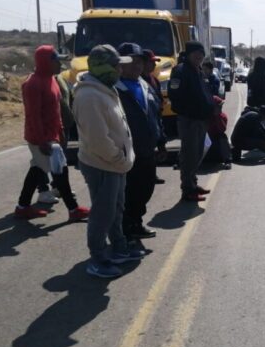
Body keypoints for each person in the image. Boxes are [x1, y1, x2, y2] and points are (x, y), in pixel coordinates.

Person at [72, 45, 142, 279]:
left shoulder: (104, 89)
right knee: (102, 213)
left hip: (115, 164)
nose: (120, 70)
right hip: (103, 164)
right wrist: (118, 158)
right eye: (115, 66)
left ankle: (118, 247)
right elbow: (97, 139)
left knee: (116, 209)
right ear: (102, 67)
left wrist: (121, 159)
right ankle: (98, 258)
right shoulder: (89, 96)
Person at [14, 45, 89, 222]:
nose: (59, 64)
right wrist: (42, 141)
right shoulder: (32, 84)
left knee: (39, 170)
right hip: (41, 138)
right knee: (59, 171)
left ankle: (22, 207)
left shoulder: (52, 80)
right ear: (46, 62)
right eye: (56, 61)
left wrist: (60, 131)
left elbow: (55, 110)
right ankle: (73, 209)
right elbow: (33, 115)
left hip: (52, 136)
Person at [116, 42, 166, 240]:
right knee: (128, 193)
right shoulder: (114, 88)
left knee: (145, 188)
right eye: (130, 62)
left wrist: (161, 142)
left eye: (138, 61)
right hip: (125, 152)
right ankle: (125, 229)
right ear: (119, 64)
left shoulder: (145, 85)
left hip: (147, 149)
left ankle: (136, 222)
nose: (136, 66)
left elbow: (156, 116)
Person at [168, 41, 215, 202]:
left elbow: (203, 92)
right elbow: (174, 95)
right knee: (189, 155)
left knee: (197, 153)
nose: (199, 56)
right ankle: (187, 189)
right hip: (189, 120)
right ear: (188, 54)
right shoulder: (180, 70)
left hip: (201, 119)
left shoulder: (199, 70)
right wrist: (190, 110)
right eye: (196, 53)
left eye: (201, 54)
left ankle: (193, 184)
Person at [141, 49, 166, 185]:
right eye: (151, 62)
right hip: (142, 124)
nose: (154, 65)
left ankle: (152, 175)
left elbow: (159, 100)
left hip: (155, 118)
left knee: (151, 151)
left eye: (154, 62)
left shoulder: (154, 80)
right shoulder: (137, 81)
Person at [206, 96, 233, 169]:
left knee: (223, 137)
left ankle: (228, 161)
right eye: (218, 106)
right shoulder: (203, 116)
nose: (221, 108)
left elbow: (222, 129)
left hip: (215, 141)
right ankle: (181, 162)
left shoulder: (222, 116)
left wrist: (217, 117)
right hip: (205, 141)